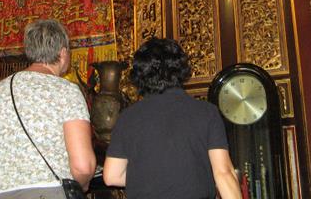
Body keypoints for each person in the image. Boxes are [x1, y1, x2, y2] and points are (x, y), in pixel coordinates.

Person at [103, 38, 242, 199]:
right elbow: (224, 173)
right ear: (180, 69)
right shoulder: (206, 112)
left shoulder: (127, 117)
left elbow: (112, 176)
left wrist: (155, 179)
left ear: (140, 75)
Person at [0, 19, 96, 198]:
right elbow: (82, 166)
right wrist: (83, 185)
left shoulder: (1, 89)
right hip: (47, 192)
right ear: (63, 53)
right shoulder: (67, 91)